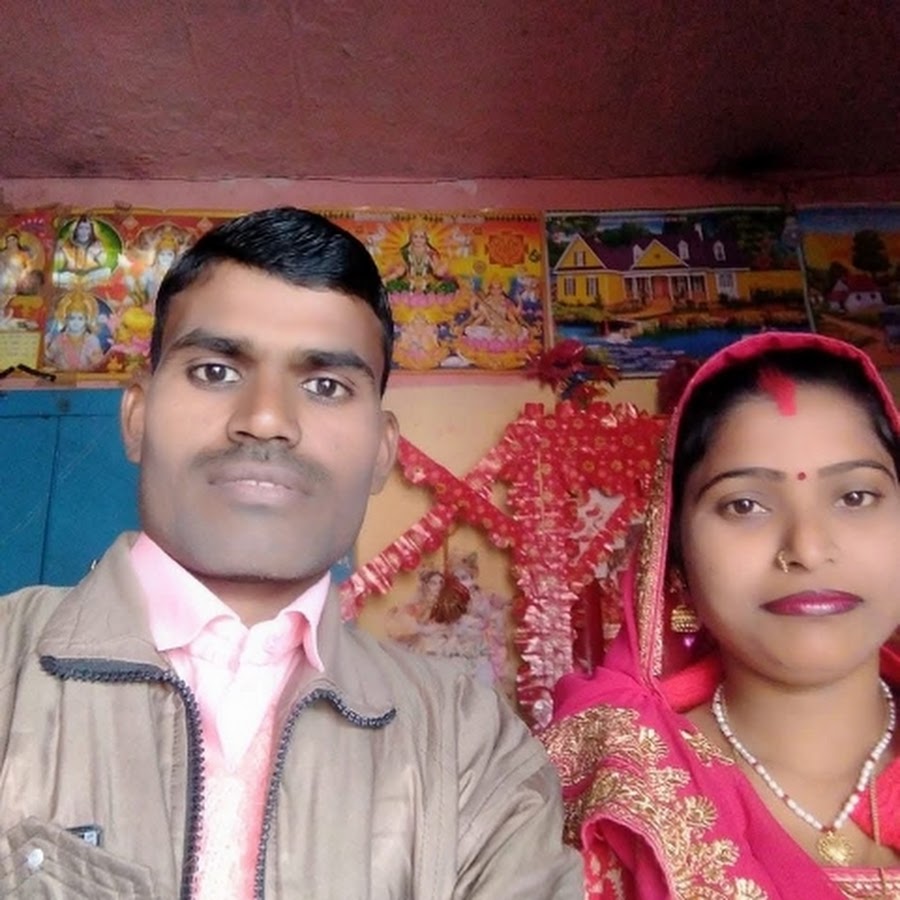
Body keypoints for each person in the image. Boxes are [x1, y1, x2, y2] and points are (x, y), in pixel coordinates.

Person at [0, 207, 580, 898]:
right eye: (215, 370)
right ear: (137, 417)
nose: (267, 419)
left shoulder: (471, 745)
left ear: (382, 453)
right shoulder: (8, 666)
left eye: (326, 386)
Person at [542, 331, 900, 898]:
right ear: (674, 554)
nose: (808, 549)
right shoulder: (605, 793)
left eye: (855, 497)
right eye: (744, 504)